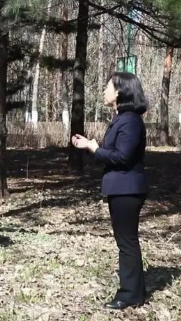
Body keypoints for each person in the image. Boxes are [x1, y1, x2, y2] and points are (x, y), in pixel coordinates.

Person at [72, 72, 148, 310]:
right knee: (125, 241)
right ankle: (136, 290)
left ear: (119, 92)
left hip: (128, 189)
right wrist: (90, 147)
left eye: (107, 87)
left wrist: (95, 148)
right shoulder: (121, 119)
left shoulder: (130, 120)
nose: (104, 91)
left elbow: (123, 157)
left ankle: (129, 294)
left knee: (127, 242)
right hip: (120, 188)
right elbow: (111, 153)